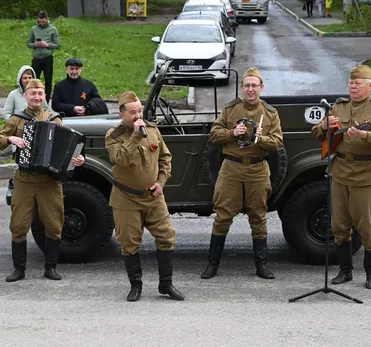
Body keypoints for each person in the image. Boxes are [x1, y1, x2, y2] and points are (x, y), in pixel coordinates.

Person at [311, 65, 371, 289]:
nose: (353, 87)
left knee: (367, 226)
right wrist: (324, 125)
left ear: (369, 86)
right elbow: (317, 134)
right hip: (340, 171)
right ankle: (345, 271)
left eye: (358, 84)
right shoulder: (339, 106)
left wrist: (366, 135)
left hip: (366, 173)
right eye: (351, 83)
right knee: (339, 225)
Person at [0, 79, 84, 282]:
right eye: (33, 93)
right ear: (25, 96)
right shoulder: (17, 119)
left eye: (40, 94)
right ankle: (19, 269)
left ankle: (50, 267)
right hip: (24, 180)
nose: (37, 97)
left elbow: (68, 149)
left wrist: (77, 159)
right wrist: (10, 139)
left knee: (54, 224)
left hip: (49, 181)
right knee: (18, 225)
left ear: (45, 97)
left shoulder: (55, 119)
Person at [201, 67, 283, 281]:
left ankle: (262, 265)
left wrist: (261, 138)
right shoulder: (230, 110)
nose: (250, 89)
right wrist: (231, 132)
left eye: (254, 85)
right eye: (247, 85)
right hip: (231, 168)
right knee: (222, 216)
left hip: (257, 169)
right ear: (242, 87)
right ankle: (212, 264)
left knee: (258, 217)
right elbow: (214, 134)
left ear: (261, 88)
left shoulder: (270, 113)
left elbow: (277, 142)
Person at [105, 91, 184, 302]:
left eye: (140, 110)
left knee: (167, 237)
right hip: (126, 198)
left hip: (153, 197)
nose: (138, 115)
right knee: (129, 243)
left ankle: (166, 284)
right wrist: (135, 136)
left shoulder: (152, 130)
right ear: (122, 115)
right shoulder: (113, 136)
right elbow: (120, 159)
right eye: (133, 112)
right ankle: (136, 285)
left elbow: (165, 158)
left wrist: (161, 182)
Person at [27, 11, 60, 102]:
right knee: (34, 80)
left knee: (48, 80)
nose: (42, 23)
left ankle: (46, 101)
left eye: (43, 22)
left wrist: (47, 45)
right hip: (36, 58)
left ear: (47, 19)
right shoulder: (34, 29)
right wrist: (35, 44)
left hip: (47, 57)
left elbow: (57, 45)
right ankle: (33, 99)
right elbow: (28, 43)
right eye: (40, 21)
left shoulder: (53, 29)